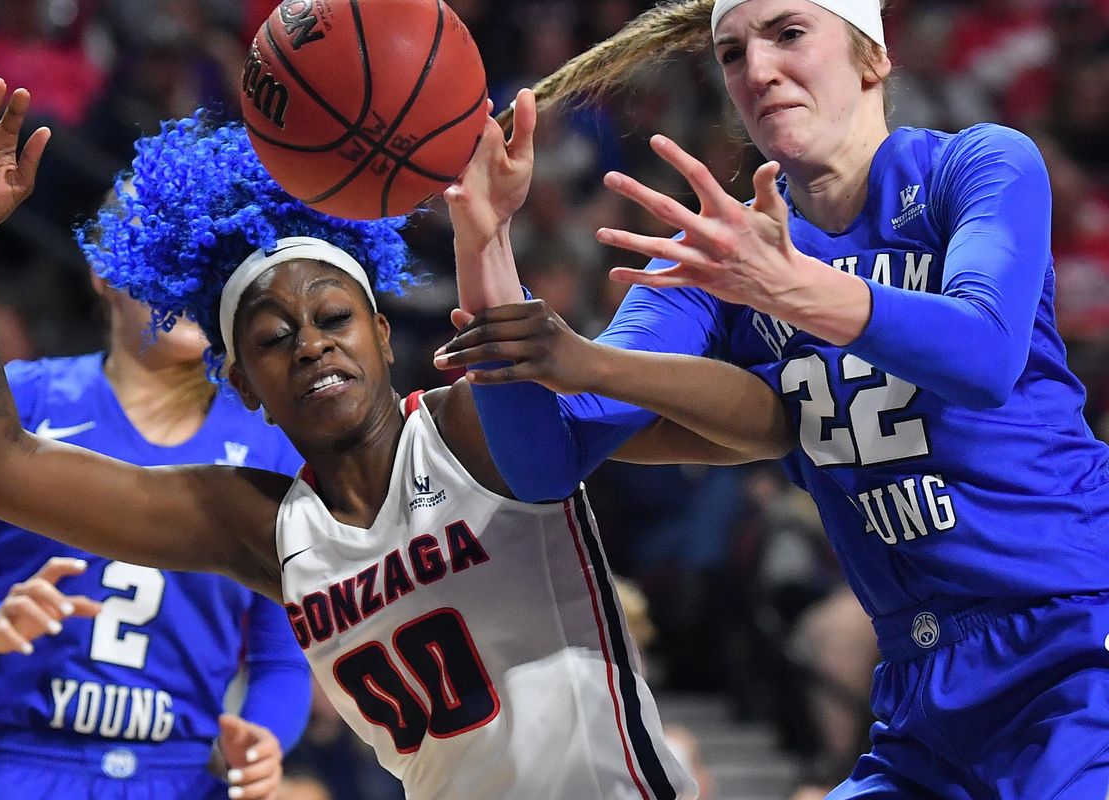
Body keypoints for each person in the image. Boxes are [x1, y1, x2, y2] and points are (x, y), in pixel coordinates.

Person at [0, 78, 791, 799]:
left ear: (382, 333)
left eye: (334, 317)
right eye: (272, 339)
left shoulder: (467, 427)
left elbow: (755, 429)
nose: (310, 343)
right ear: (241, 386)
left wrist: (553, 322)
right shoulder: (262, 526)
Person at [434, 1, 1109, 797]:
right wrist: (486, 245)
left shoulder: (979, 165)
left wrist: (796, 289)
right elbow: (549, 460)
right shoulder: (717, 256)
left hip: (1075, 647)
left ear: (871, 58)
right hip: (920, 692)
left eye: (789, 34)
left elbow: (984, 353)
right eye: (730, 54)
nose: (757, 71)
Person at [0, 174, 311, 797]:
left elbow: (283, 658)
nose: (185, 280)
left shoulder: (274, 444)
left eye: (206, 258)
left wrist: (263, 738)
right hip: (14, 767)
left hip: (179, 779)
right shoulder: (22, 399)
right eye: (161, 252)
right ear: (103, 269)